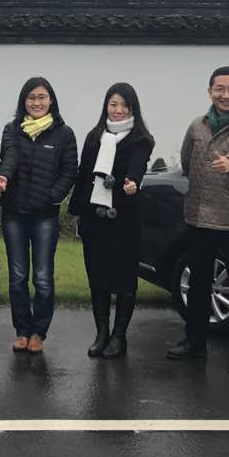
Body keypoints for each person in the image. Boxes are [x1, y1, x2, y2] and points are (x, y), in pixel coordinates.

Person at [167, 66, 229, 375]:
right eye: (219, 89)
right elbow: (187, 162)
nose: (226, 95)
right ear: (210, 91)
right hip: (199, 216)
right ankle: (195, 343)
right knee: (198, 285)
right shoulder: (197, 126)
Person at [67, 83, 153, 360]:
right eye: (113, 104)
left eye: (124, 106)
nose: (118, 110)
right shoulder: (94, 136)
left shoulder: (142, 139)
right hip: (95, 219)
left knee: (125, 279)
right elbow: (83, 174)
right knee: (98, 277)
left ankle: (119, 336)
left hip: (125, 218)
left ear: (133, 108)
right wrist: (76, 211)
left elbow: (137, 167)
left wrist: (133, 182)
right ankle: (101, 333)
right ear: (106, 105)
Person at [0, 77, 78, 355]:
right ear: (23, 101)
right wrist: (4, 176)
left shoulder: (63, 134)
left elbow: (70, 171)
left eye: (42, 97)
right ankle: (22, 331)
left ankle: (38, 332)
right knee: (18, 276)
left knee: (42, 277)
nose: (36, 102)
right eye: (31, 97)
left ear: (51, 100)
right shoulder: (12, 130)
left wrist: (52, 196)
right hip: (14, 214)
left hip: (45, 216)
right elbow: (8, 157)